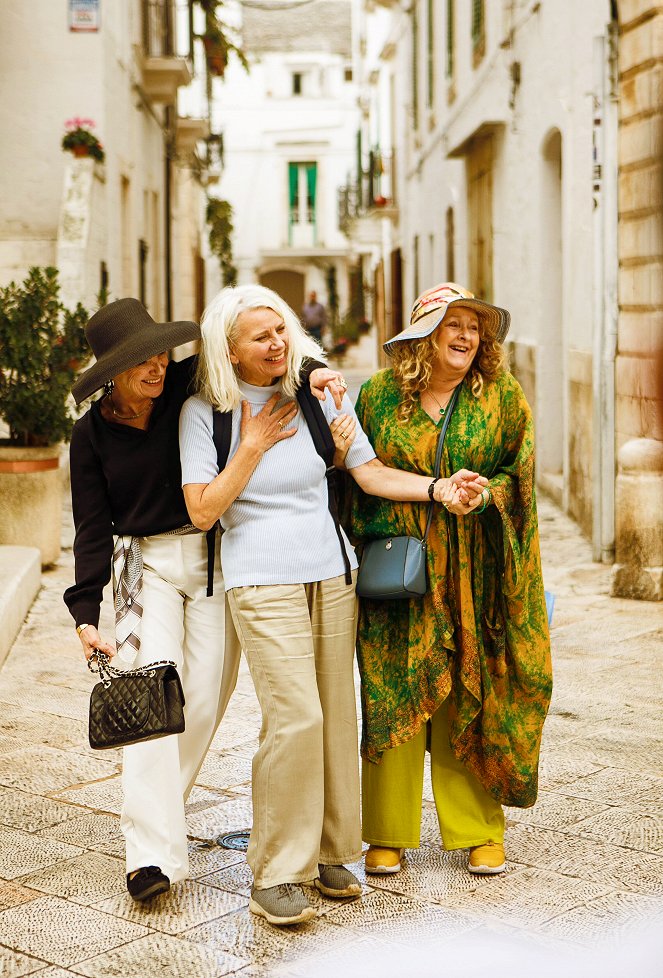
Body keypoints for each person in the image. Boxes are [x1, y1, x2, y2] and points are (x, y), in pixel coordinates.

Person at [178, 284, 471, 926]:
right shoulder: (207, 413)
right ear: (229, 349)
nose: (278, 343)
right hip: (260, 576)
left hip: (333, 570)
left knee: (338, 714)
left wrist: (439, 487)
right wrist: (251, 446)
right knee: (295, 716)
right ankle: (278, 871)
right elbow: (202, 510)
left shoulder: (317, 393)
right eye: (261, 336)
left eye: (281, 330)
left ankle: (335, 851)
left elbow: (367, 474)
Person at [63, 298, 345, 903]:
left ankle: (165, 819)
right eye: (141, 360)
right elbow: (90, 528)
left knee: (201, 706)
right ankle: (151, 857)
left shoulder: (187, 391)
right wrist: (87, 614)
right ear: (113, 370)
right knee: (153, 703)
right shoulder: (89, 437)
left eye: (162, 353)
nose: (157, 367)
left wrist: (317, 367)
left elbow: (265, 353)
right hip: (148, 567)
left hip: (217, 560)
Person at [349, 282, 553, 878]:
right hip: (402, 567)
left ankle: (479, 830)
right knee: (391, 686)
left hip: (477, 565)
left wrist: (484, 494)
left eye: (473, 326)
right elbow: (356, 475)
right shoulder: (379, 397)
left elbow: (521, 476)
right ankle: (386, 831)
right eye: (452, 324)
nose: (466, 336)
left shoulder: (502, 397)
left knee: (473, 683)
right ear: (421, 338)